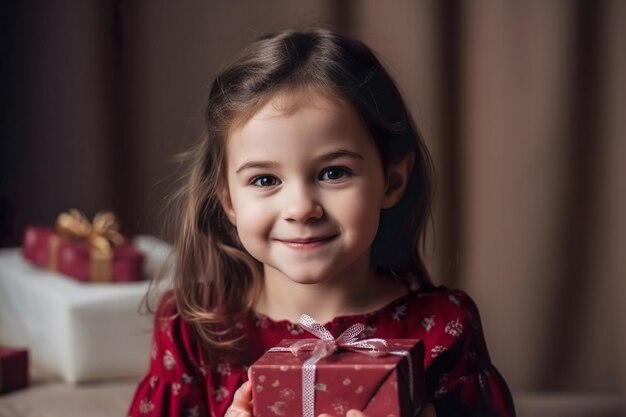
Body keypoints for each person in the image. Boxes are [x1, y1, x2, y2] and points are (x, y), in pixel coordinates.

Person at [127, 28, 515, 417]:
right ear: (228, 201)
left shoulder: (442, 327)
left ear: (392, 181)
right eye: (265, 180)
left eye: (334, 173)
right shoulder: (193, 328)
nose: (301, 208)